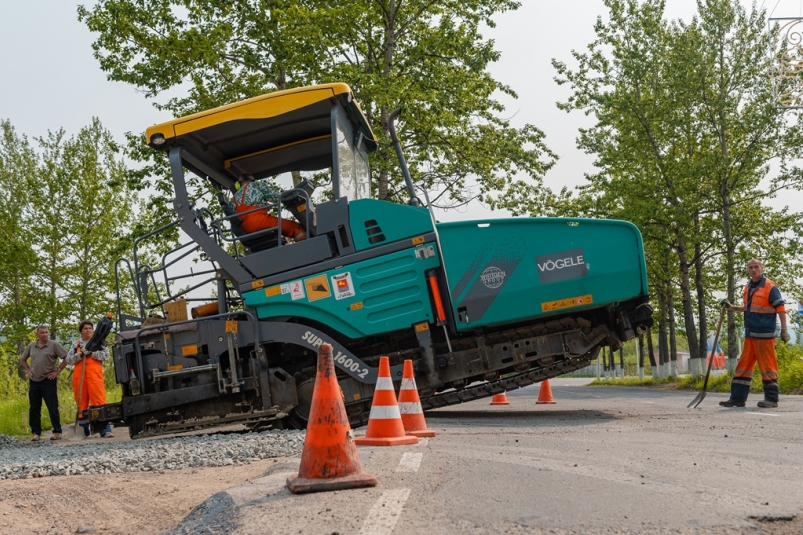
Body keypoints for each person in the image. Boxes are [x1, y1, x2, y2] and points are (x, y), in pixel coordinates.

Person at [719, 258, 789, 408]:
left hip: (765, 336)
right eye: (750, 267)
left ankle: (771, 399)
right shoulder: (748, 287)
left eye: (756, 267)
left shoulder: (770, 287)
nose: (753, 269)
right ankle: (737, 398)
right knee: (743, 366)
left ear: (761, 268)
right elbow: (748, 308)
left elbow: (781, 309)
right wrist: (732, 307)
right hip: (750, 335)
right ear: (747, 270)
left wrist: (784, 330)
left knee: (768, 367)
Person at [19, 325, 68, 441]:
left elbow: (67, 357)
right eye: (42, 333)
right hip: (34, 380)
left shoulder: (54, 345)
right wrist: (28, 370)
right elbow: (22, 359)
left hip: (48, 380)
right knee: (34, 408)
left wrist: (58, 371)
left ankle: (57, 431)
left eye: (46, 332)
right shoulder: (32, 346)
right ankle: (36, 433)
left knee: (52, 407)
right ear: (37, 334)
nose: (45, 335)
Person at [66, 320, 113, 438]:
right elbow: (69, 360)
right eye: (85, 328)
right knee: (81, 406)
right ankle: (83, 432)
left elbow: (106, 356)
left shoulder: (99, 343)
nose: (88, 330)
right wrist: (80, 355)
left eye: (90, 328)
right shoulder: (76, 344)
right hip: (79, 379)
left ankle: (104, 430)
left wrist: (92, 354)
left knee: (99, 403)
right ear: (81, 331)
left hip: (95, 379)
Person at [228, 173, 307, 241]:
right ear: (253, 181)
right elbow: (278, 197)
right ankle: (306, 250)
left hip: (245, 229)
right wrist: (291, 197)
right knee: (297, 228)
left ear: (238, 184)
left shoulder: (233, 199)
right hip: (260, 221)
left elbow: (232, 218)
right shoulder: (257, 185)